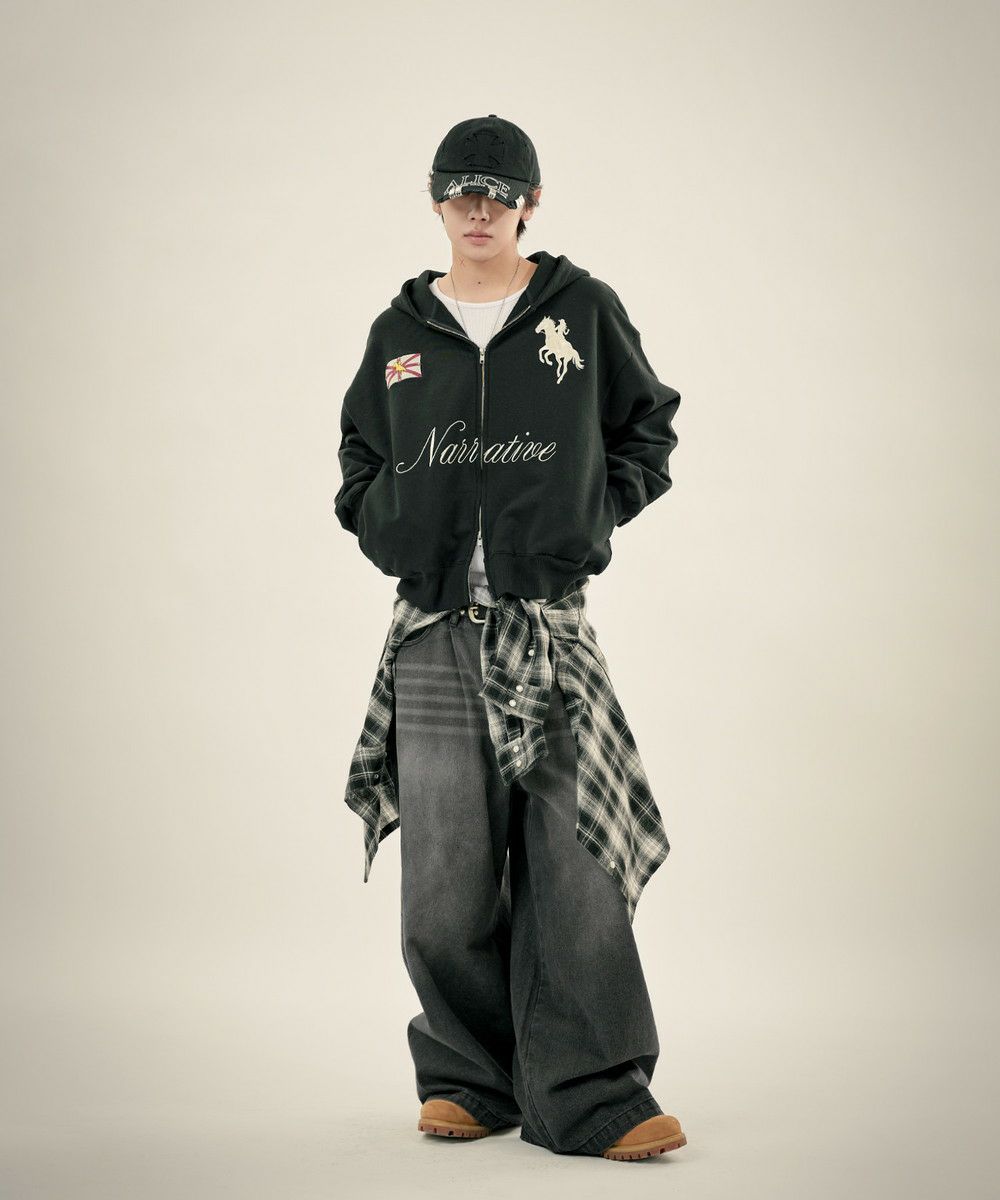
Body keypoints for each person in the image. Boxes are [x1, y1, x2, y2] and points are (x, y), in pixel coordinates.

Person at [333, 114, 686, 1161]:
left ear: (530, 203)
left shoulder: (582, 309)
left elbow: (647, 427)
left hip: (547, 626)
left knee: (574, 862)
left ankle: (593, 1093)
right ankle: (469, 1079)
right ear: (437, 201)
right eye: (461, 191)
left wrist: (588, 517)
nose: (478, 209)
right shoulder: (399, 332)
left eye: (498, 193)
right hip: (434, 629)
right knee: (444, 877)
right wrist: (390, 527)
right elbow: (357, 457)